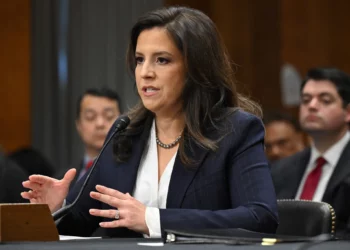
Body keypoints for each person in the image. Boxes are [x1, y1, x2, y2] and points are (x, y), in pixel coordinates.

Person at [21, 6, 278, 238]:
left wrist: (151, 219)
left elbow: (260, 217)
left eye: (162, 60)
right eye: (140, 59)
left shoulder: (236, 130)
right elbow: (82, 222)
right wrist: (57, 208)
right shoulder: (124, 133)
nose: (145, 73)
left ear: (196, 69)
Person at [271, 67, 350, 238]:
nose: (312, 106)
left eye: (325, 100)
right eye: (306, 100)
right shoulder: (280, 170)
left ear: (348, 112)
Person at [56, 87, 121, 185]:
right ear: (78, 125)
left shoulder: (137, 173)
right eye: (90, 117)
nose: (100, 124)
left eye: (109, 116)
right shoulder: (61, 181)